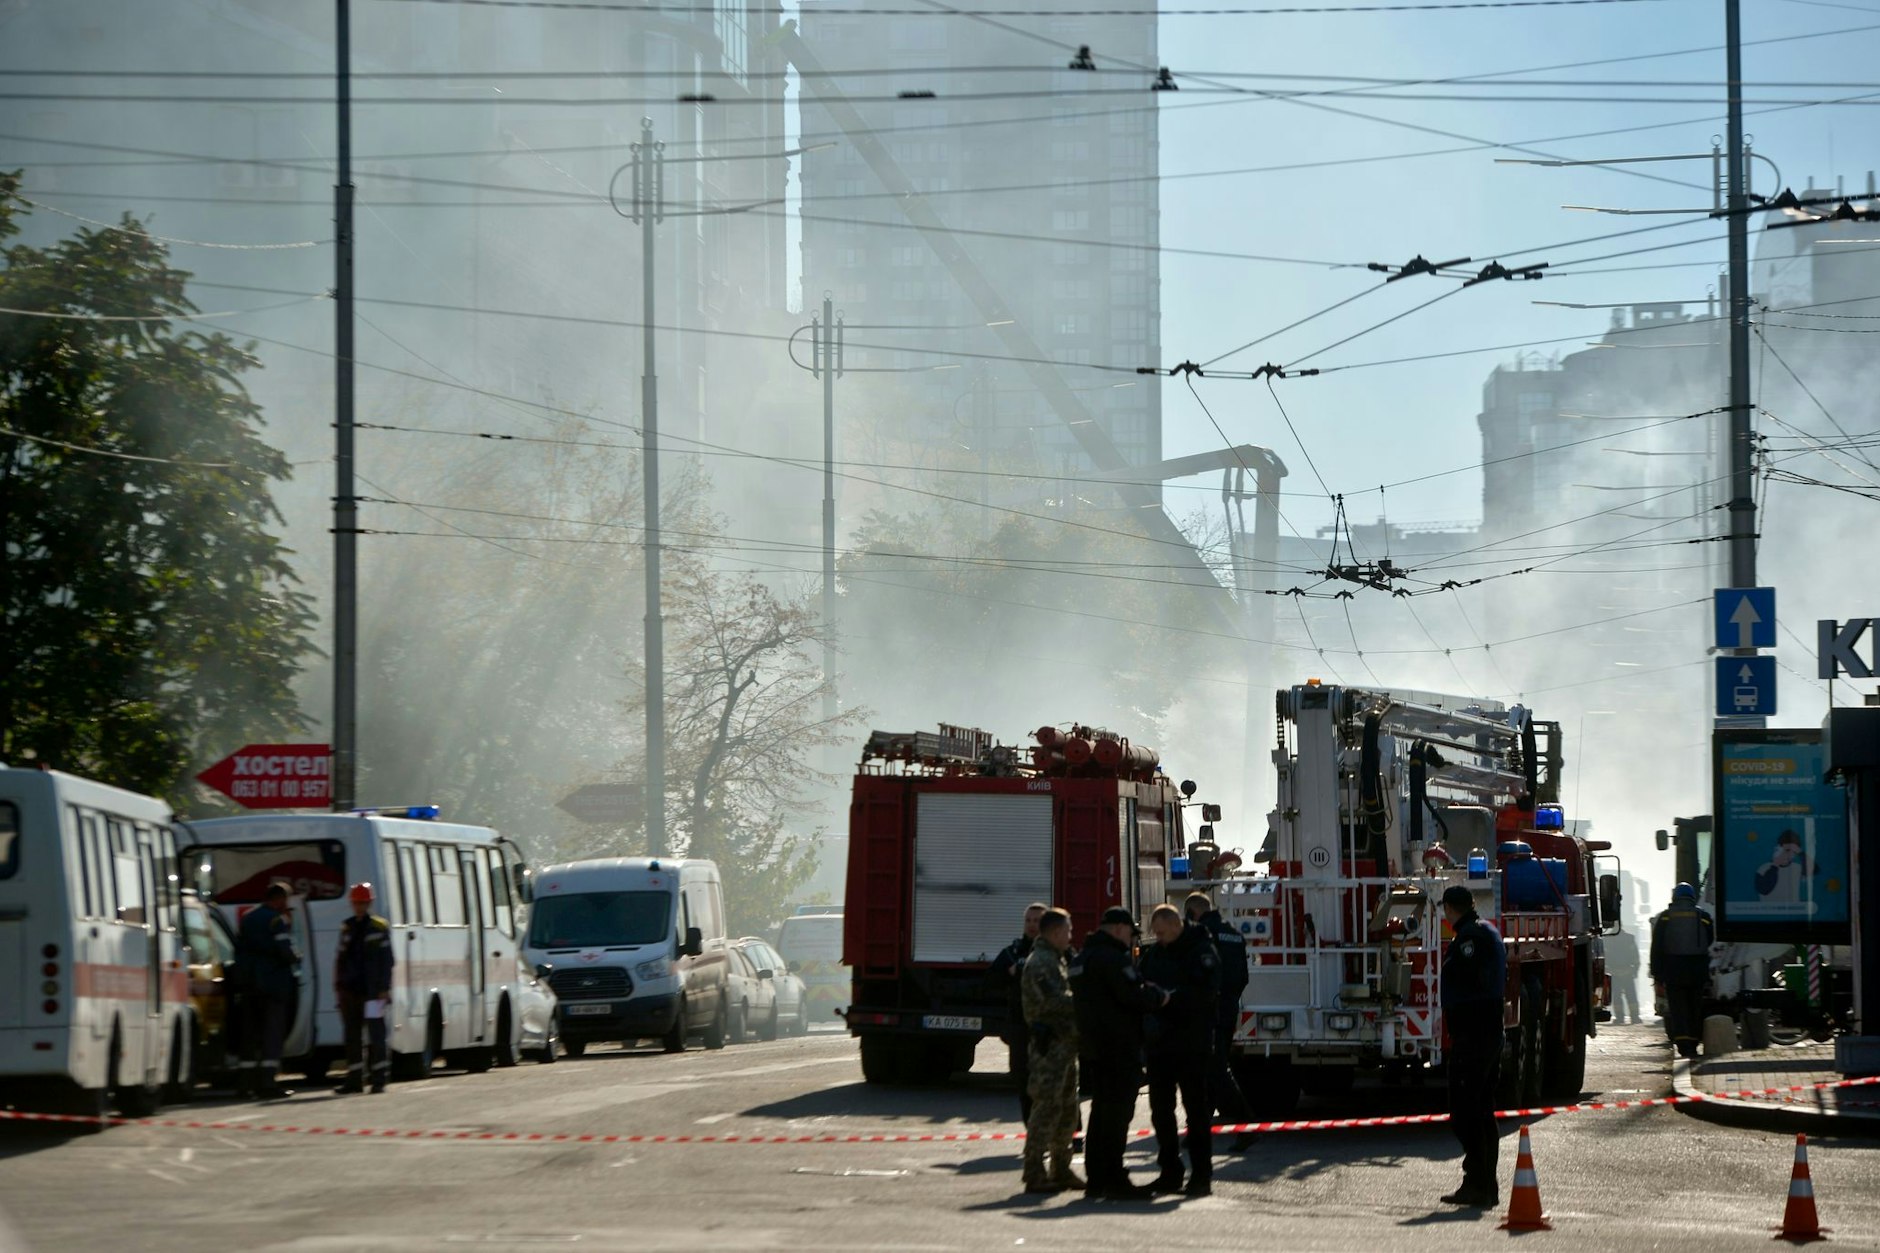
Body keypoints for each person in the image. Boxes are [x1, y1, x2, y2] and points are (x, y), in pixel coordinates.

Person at [1070, 905, 1167, 1202]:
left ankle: (1097, 1179)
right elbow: (1133, 995)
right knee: (1117, 1115)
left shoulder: (1082, 958)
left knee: (1100, 1113)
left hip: (1094, 1048)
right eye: (1129, 934)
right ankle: (1114, 1179)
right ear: (1118, 929)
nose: (1131, 940)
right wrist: (1158, 996)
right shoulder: (1112, 959)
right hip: (1118, 1046)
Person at [1141, 903, 1218, 1198]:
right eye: (1155, 933)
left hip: (1191, 1043)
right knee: (1161, 1111)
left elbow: (1206, 992)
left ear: (1176, 925)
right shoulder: (1155, 953)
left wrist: (1170, 998)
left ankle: (1201, 1175)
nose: (1158, 938)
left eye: (1162, 932)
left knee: (1196, 1112)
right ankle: (1170, 1172)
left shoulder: (1201, 950)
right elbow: (1142, 981)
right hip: (1160, 1044)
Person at [1439, 883, 1505, 1209]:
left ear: (1450, 908)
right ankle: (1484, 1185)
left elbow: (1472, 977)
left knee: (1466, 1113)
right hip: (1485, 1032)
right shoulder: (1484, 930)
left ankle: (1478, 1184)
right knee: (1481, 1111)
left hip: (1474, 1034)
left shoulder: (1470, 938)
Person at [1185, 891, 1259, 1152]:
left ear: (1192, 913)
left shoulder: (1199, 935)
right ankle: (1197, 1129)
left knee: (1214, 1073)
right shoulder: (1234, 934)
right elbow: (1243, 977)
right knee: (1209, 1072)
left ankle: (1246, 1125)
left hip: (1206, 1014)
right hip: (1227, 1012)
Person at [1018, 908, 1082, 1194]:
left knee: (1067, 1110)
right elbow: (1053, 1001)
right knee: (1046, 1108)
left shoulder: (1057, 959)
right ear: (1056, 932)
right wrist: (1084, 998)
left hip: (1065, 1046)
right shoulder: (1041, 962)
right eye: (1068, 930)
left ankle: (1061, 1168)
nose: (1070, 936)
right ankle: (1034, 1171)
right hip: (1050, 1049)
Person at [235, 881, 301, 1099]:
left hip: (249, 985)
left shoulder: (248, 917)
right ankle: (267, 1084)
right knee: (272, 1035)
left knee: (249, 1036)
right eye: (286, 899)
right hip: (273, 985)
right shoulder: (276, 920)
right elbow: (285, 951)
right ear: (279, 899)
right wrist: (296, 956)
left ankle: (246, 1085)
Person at [333, 882, 396, 1094]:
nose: (359, 906)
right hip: (350, 991)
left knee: (376, 1035)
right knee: (352, 1036)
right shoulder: (347, 927)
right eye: (356, 903)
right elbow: (340, 960)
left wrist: (384, 988)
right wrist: (339, 988)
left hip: (373, 993)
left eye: (362, 903)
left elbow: (387, 960)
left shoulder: (379, 926)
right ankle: (355, 1080)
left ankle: (379, 1080)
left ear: (369, 903)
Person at [990, 902, 1049, 1124]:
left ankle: (1070, 1135)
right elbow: (989, 982)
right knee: (1023, 1079)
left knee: (1055, 1084)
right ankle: (1033, 1130)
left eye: (1037, 921)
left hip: (1049, 1029)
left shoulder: (1056, 952)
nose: (1032, 925)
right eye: (1028, 921)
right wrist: (1011, 973)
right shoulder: (1012, 953)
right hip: (1020, 1026)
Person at [1650, 882, 1714, 1058]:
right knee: (1694, 1008)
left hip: (1673, 971)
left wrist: (1657, 974)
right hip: (1697, 971)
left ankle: (1683, 1046)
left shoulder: (1665, 918)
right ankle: (1693, 1044)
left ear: (1675, 897)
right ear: (1692, 896)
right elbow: (1710, 940)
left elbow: (1657, 947)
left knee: (1678, 1010)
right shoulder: (1703, 916)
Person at [1604, 923, 1641, 1025]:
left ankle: (1620, 1017)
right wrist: (1635, 969)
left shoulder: (1607, 939)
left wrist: (1606, 970)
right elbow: (1635, 955)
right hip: (1627, 970)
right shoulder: (1629, 938)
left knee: (1617, 996)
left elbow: (1605, 955)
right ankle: (1634, 1017)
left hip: (1613, 972)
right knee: (1631, 995)